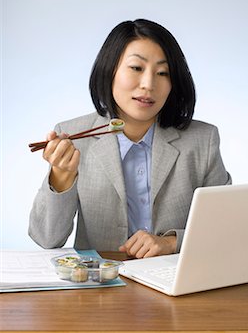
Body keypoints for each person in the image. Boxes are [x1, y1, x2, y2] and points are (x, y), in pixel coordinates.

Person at [29, 19, 231, 258]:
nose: (148, 84)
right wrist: (61, 176)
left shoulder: (202, 140)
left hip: (175, 283)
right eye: (136, 68)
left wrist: (172, 242)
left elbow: (225, 227)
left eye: (163, 73)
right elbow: (46, 239)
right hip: (99, 284)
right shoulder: (74, 137)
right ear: (110, 69)